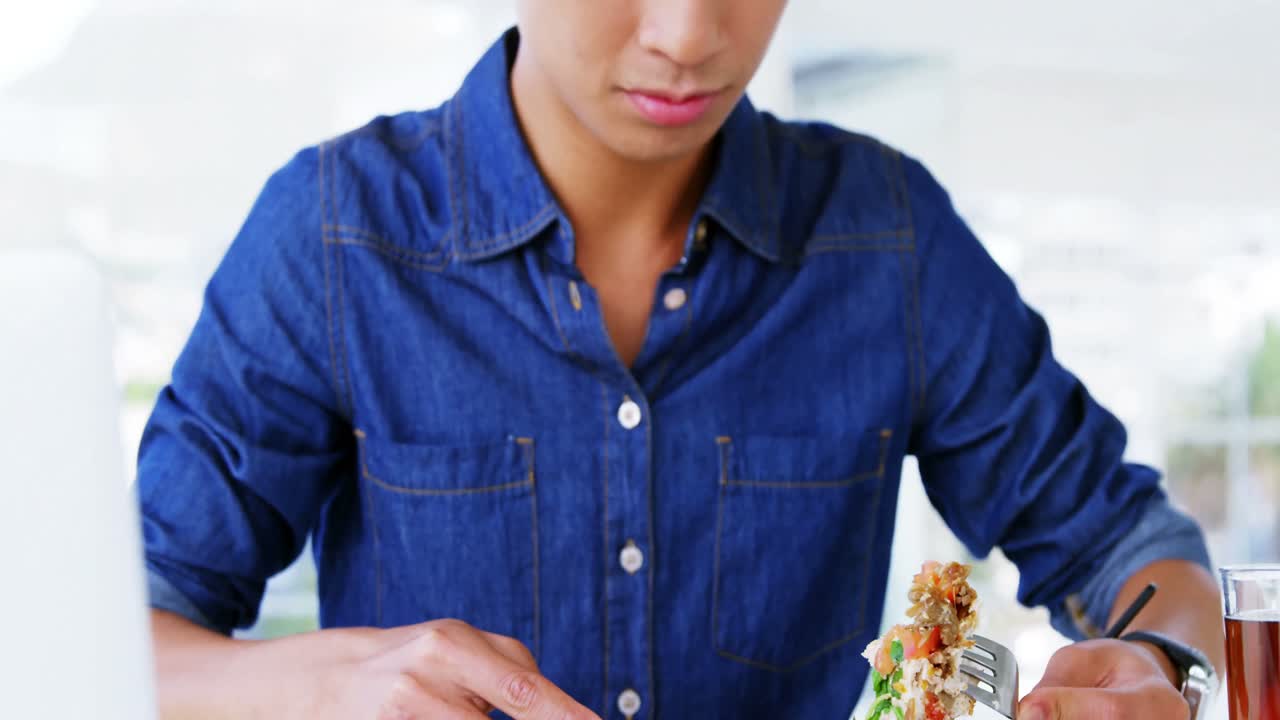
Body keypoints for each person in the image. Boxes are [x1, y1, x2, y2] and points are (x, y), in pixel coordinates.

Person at [139, 2, 1225, 719]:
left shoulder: (885, 234)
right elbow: (123, 644)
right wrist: (314, 689)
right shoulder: (332, 235)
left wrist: (1159, 668)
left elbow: (1133, 550)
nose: (687, 34)